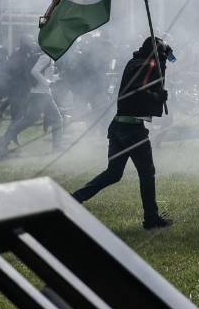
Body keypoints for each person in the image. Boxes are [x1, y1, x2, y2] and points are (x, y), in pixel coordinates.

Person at [72, 37, 174, 229]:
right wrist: (157, 95)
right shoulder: (147, 65)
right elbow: (141, 89)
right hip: (132, 129)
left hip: (118, 126)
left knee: (113, 173)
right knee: (146, 172)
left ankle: (75, 198)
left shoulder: (134, 62)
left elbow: (149, 78)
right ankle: (151, 218)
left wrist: (162, 61)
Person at [0, 46, 64, 154]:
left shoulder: (48, 58)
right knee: (57, 120)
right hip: (42, 95)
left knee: (29, 120)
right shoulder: (46, 57)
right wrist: (47, 83)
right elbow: (34, 71)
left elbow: (45, 76)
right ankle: (57, 148)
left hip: (41, 94)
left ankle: (4, 140)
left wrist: (57, 77)